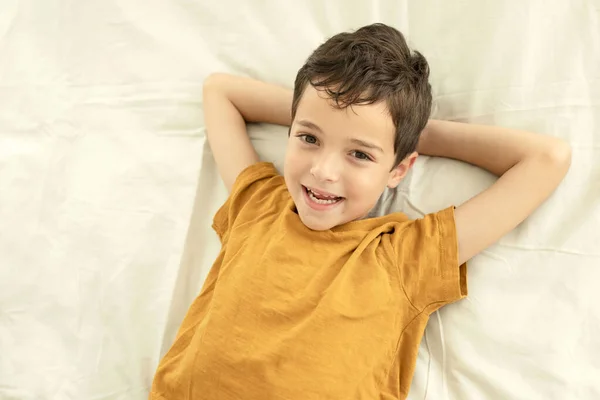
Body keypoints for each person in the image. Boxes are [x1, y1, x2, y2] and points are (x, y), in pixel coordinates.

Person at [149, 23, 571, 400]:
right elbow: (220, 91)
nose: (323, 171)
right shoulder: (257, 205)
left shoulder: (404, 258)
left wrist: (402, 136)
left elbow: (548, 158)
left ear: (400, 169)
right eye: (308, 139)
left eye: (359, 154)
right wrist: (333, 114)